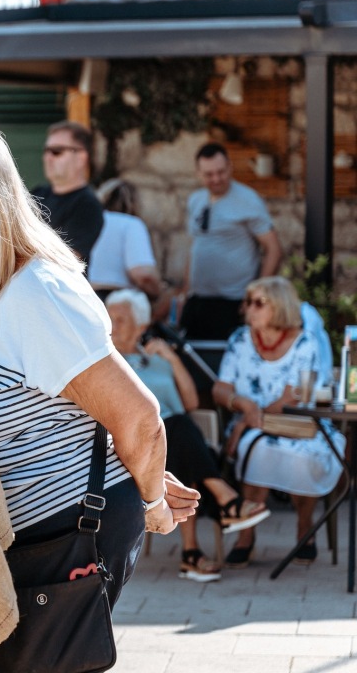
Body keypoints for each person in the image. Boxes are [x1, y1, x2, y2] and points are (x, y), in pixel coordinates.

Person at [0, 118, 198, 645]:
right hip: (15, 537)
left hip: (62, 537)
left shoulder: (40, 296)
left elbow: (140, 419)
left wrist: (152, 504)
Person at [106, 289, 270, 582]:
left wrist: (171, 357)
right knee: (176, 428)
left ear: (142, 326)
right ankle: (225, 498)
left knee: (177, 434)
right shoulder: (104, 362)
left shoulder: (157, 359)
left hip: (169, 443)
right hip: (130, 443)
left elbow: (192, 401)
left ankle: (192, 553)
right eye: (109, 318)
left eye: (121, 319)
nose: (112, 325)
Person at [214, 276, 345, 567]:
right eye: (248, 302)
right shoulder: (240, 339)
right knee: (255, 448)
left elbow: (290, 401)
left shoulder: (304, 344)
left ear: (281, 306)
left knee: (306, 456)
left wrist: (247, 422)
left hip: (296, 424)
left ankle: (304, 526)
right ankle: (246, 536)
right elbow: (220, 389)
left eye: (259, 302)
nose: (250, 308)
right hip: (252, 425)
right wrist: (245, 405)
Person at [180, 143, 283, 340]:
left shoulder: (248, 200)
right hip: (197, 301)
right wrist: (185, 293)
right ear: (198, 173)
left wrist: (256, 297)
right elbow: (194, 248)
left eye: (221, 172)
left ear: (230, 167)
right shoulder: (195, 200)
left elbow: (274, 249)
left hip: (233, 302)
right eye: (209, 174)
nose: (216, 179)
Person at [31, 120, 104, 267]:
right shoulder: (37, 194)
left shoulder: (87, 205)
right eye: (46, 151)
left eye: (56, 151)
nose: (47, 158)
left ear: (81, 158)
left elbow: (65, 258)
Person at [88, 179, 162, 301]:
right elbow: (143, 274)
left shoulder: (86, 223)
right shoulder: (131, 224)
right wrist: (157, 292)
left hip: (81, 298)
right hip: (116, 301)